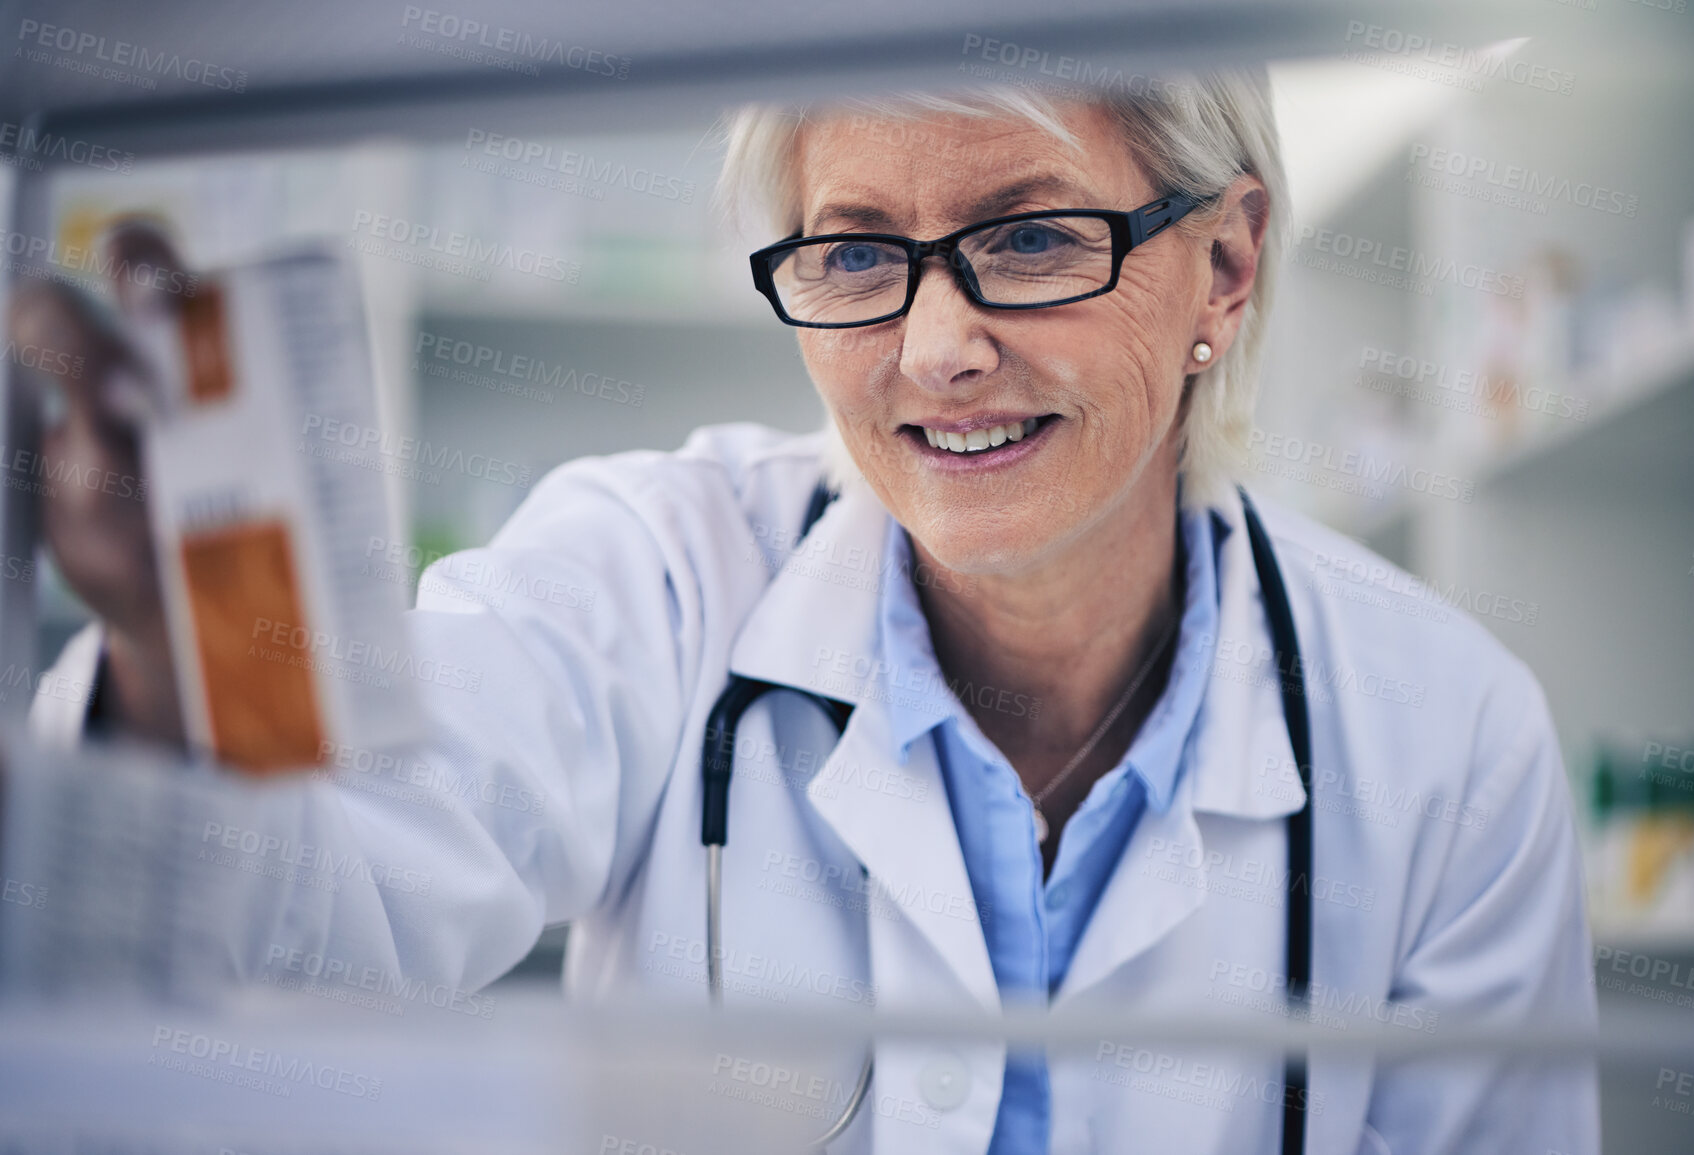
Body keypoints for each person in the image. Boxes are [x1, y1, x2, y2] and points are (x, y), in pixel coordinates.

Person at [6, 69, 1597, 1154]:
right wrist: (178, 653)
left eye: (1031, 238)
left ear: (1228, 265)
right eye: (854, 256)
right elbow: (302, 918)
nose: (934, 347)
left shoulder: (1446, 735)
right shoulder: (654, 571)